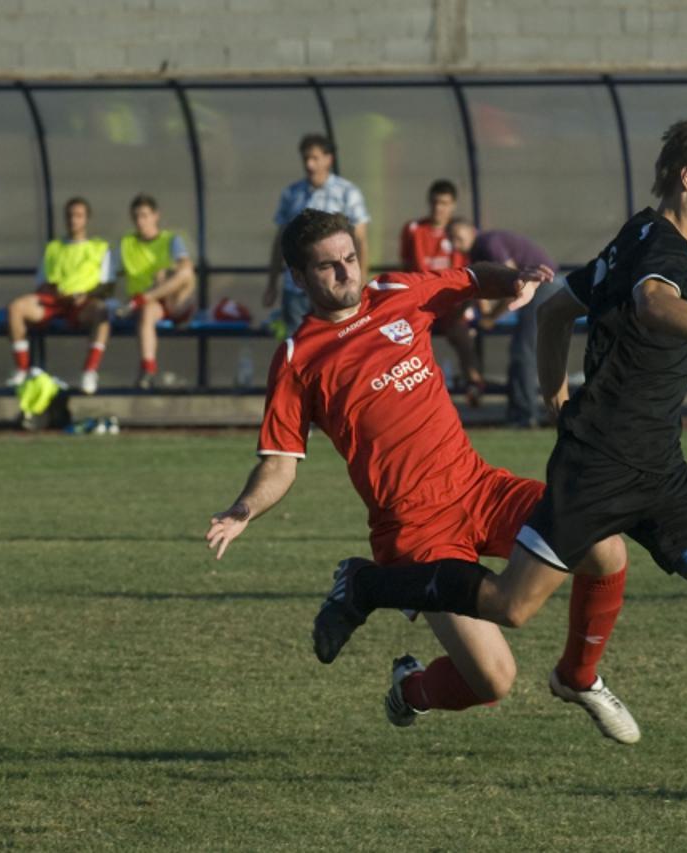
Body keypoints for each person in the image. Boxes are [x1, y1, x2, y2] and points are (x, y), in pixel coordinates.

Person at [313, 108, 687, 782]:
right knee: (513, 605)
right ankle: (367, 583)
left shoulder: (634, 234)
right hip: (598, 468)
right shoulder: (659, 248)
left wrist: (554, 396)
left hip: (658, 466)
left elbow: (553, 309)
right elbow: (656, 304)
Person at [207, 209, 639, 743]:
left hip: (479, 487)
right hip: (416, 530)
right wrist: (244, 508)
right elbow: (279, 462)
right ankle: (409, 689)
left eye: (350, 258)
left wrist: (515, 280)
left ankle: (578, 676)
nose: (346, 273)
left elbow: (473, 278)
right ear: (298, 277)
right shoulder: (299, 358)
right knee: (494, 680)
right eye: (328, 267)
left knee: (606, 546)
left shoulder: (395, 291)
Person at [448, 219, 560, 427]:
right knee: (524, 351)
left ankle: (525, 416)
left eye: (457, 236)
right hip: (541, 288)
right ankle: (523, 413)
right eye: (450, 238)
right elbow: (483, 289)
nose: (454, 243)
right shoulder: (477, 252)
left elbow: (514, 283)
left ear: (472, 231)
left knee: (523, 352)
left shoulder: (488, 243)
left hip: (543, 287)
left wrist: (491, 318)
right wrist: (478, 312)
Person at [264, 133, 370, 336]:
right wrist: (271, 285)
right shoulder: (292, 193)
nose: (309, 164)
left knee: (340, 339)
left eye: (315, 158)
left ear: (329, 159)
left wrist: (360, 280)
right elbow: (280, 241)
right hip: (296, 289)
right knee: (300, 342)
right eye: (306, 159)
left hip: (336, 284)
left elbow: (360, 240)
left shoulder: (348, 192)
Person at [6, 197, 113, 395]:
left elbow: (107, 286)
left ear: (87, 219)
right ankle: (22, 369)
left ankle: (90, 371)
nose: (74, 220)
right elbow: (42, 282)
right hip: (55, 302)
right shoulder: (54, 248)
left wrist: (85, 295)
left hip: (82, 304)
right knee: (16, 307)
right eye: (70, 215)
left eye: (79, 216)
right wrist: (54, 292)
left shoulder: (100, 248)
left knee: (102, 312)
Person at [400, 179, 485, 404]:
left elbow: (474, 271)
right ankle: (415, 392)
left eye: (445, 203)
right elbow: (407, 267)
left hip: (452, 304)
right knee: (407, 339)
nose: (439, 208)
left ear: (453, 205)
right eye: (436, 202)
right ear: (429, 202)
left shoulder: (464, 234)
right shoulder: (414, 230)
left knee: (462, 335)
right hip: (421, 303)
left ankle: (474, 383)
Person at [113, 193, 196, 389]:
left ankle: (143, 299)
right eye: (136, 217)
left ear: (155, 216)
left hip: (174, 299)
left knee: (186, 272)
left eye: (144, 215)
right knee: (147, 312)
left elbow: (185, 267)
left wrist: (165, 274)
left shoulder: (171, 240)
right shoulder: (126, 243)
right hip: (148, 304)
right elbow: (110, 275)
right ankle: (148, 370)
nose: (140, 221)